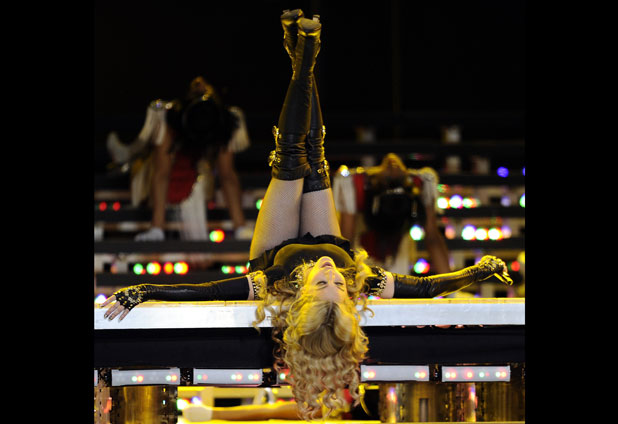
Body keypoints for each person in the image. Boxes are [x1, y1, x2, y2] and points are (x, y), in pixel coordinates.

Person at [101, 9, 513, 421]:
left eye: (323, 281)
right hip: (326, 235)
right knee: (315, 153)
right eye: (338, 283)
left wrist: (145, 290)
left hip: (275, 249)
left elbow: (204, 291)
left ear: (304, 294)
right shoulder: (358, 279)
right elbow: (425, 288)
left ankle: (305, 59)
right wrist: (478, 271)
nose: (331, 272)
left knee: (290, 157)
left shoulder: (277, 282)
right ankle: (300, 58)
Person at [106, 76, 253, 241]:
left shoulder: (225, 121)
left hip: (197, 177)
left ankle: (240, 226)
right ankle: (127, 157)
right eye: (195, 85)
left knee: (208, 178)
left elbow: (227, 175)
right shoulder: (168, 118)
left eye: (205, 85)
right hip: (167, 173)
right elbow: (161, 173)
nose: (200, 85)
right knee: (148, 161)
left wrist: (240, 227)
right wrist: (156, 228)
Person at [333, 153, 452, 275]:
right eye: (396, 181)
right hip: (369, 255)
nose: (393, 167)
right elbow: (433, 239)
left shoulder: (354, 183)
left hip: (386, 252)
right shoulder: (421, 182)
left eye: (389, 180)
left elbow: (433, 239)